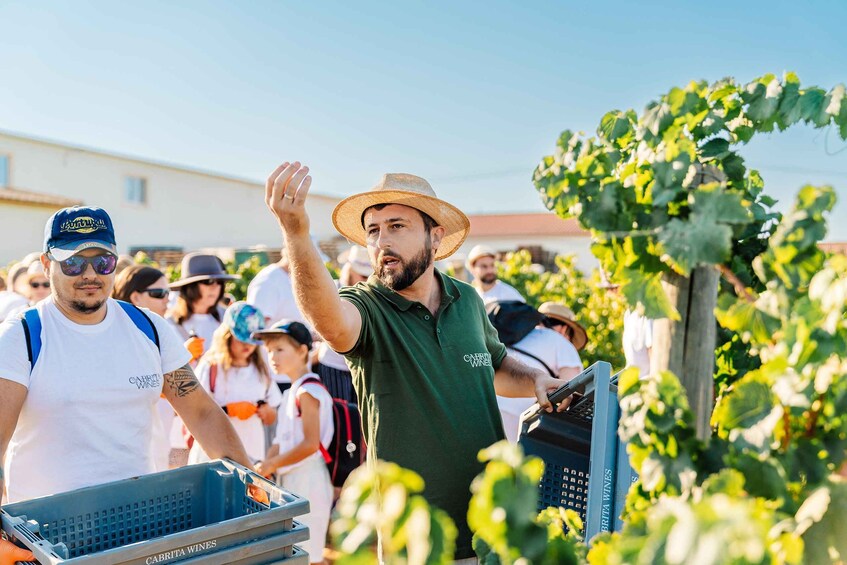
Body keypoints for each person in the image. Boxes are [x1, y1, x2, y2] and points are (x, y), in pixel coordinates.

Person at [262, 162, 567, 560]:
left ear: (434, 236)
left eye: (397, 226)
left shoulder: (468, 300)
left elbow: (495, 366)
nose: (382, 241)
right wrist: (296, 233)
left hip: (492, 522)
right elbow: (330, 321)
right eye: (373, 230)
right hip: (415, 536)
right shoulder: (367, 306)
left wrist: (536, 380)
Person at [0, 206, 252, 509]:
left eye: (103, 262)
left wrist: (251, 491)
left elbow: (202, 413)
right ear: (46, 264)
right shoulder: (22, 336)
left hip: (135, 520)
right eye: (74, 263)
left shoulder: (149, 328)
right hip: (48, 534)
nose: (90, 274)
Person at [255, 320, 333, 565]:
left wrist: (270, 465)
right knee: (293, 551)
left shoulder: (308, 392)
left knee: (309, 554)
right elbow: (280, 441)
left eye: (279, 349)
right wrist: (267, 466)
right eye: (269, 350)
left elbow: (310, 444)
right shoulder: (292, 392)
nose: (272, 357)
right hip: (291, 480)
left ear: (302, 351)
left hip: (309, 479)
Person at [188, 302, 281, 464]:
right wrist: (227, 410)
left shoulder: (262, 370)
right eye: (242, 339)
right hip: (213, 455)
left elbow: (273, 413)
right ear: (227, 335)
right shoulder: (211, 367)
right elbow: (194, 411)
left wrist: (268, 412)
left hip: (251, 454)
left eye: (253, 340)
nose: (248, 345)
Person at [112, 264, 174, 471]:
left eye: (168, 292)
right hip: (131, 446)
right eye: (158, 293)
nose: (166, 298)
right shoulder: (116, 336)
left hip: (163, 434)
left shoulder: (162, 329)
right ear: (136, 297)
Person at [496, 301, 585, 443]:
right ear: (564, 329)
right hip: (514, 419)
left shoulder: (514, 336)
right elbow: (573, 391)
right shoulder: (561, 342)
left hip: (484, 406)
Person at [313, 245, 372, 402]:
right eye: (363, 275)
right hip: (335, 365)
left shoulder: (373, 294)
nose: (367, 280)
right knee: (341, 415)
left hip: (363, 366)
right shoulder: (331, 289)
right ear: (350, 270)